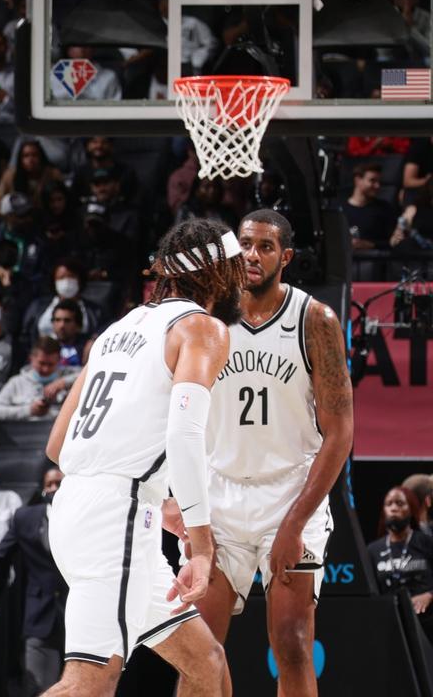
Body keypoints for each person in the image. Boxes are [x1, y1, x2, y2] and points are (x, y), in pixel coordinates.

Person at [42, 219, 245, 696]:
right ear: (216, 273)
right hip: (118, 517)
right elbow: (184, 432)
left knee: (206, 661)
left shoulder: (118, 329)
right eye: (235, 269)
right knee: (90, 683)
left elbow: (56, 445)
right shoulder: (202, 328)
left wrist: (159, 500)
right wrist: (202, 542)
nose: (241, 281)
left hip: (85, 506)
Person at [186, 210, 353, 696]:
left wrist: (295, 523)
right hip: (218, 491)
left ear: (286, 257)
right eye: (245, 244)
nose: (252, 255)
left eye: (264, 246)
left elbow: (339, 432)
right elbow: (178, 418)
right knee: (199, 649)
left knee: (293, 643)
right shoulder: (206, 318)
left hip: (288, 492)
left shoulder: (314, 319)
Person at [0, 468, 68, 696]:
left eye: (59, 483)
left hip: (79, 609)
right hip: (39, 611)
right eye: (49, 484)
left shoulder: (88, 515)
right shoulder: (24, 517)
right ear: (42, 489)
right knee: (38, 686)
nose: (54, 489)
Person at [370, 486, 433, 639]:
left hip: (426, 624)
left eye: (400, 503)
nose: (393, 508)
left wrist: (430, 595)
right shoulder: (373, 550)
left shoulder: (426, 542)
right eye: (389, 504)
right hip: (391, 625)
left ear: (411, 509)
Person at [0, 337, 79, 422]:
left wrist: (63, 382)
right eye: (41, 363)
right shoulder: (17, 382)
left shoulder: (67, 375)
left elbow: (89, 372)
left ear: (59, 360)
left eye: (50, 364)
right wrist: (29, 410)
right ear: (31, 358)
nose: (45, 369)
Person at [342, 162, 397, 251]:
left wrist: (371, 245)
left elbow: (392, 242)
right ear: (358, 180)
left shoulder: (384, 209)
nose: (377, 186)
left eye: (379, 182)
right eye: (372, 180)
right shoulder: (340, 209)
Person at [51, 299, 93, 367]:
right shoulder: (46, 346)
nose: (62, 325)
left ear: (78, 325)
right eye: (57, 320)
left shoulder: (88, 347)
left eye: (67, 321)